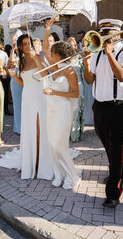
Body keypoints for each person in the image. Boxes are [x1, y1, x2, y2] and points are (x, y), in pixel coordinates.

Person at [83, 18, 123, 208]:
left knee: (116, 147)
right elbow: (90, 80)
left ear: (118, 34)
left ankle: (113, 193)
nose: (105, 36)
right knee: (106, 141)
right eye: (103, 33)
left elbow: (122, 76)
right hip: (100, 106)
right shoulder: (97, 53)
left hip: (120, 106)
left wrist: (109, 55)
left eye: (108, 33)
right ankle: (118, 170)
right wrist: (86, 64)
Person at [0, 34, 53, 180]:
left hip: (40, 97)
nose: (28, 47)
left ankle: (42, 162)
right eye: (25, 44)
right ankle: (31, 161)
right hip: (27, 98)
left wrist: (36, 58)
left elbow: (45, 74)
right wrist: (14, 76)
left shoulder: (38, 57)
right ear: (20, 46)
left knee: (40, 131)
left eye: (29, 43)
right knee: (30, 131)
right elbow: (23, 83)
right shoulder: (20, 61)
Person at [35, 35, 82, 189]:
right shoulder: (53, 68)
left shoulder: (69, 71)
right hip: (51, 109)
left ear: (58, 55)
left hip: (63, 110)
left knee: (59, 145)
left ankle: (72, 178)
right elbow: (43, 57)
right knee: (51, 144)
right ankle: (59, 175)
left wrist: (54, 92)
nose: (49, 54)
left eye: (52, 52)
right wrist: (36, 58)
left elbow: (75, 93)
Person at [67, 37, 85, 141]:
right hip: (67, 86)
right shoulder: (63, 58)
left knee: (78, 109)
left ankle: (77, 134)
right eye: (70, 45)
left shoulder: (79, 57)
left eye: (74, 45)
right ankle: (68, 133)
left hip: (78, 85)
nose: (72, 47)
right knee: (68, 110)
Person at [8, 36, 23, 134]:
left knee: (24, 105)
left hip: (23, 82)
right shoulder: (14, 57)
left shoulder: (24, 57)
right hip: (14, 82)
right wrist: (12, 49)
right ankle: (18, 128)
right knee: (17, 105)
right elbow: (10, 62)